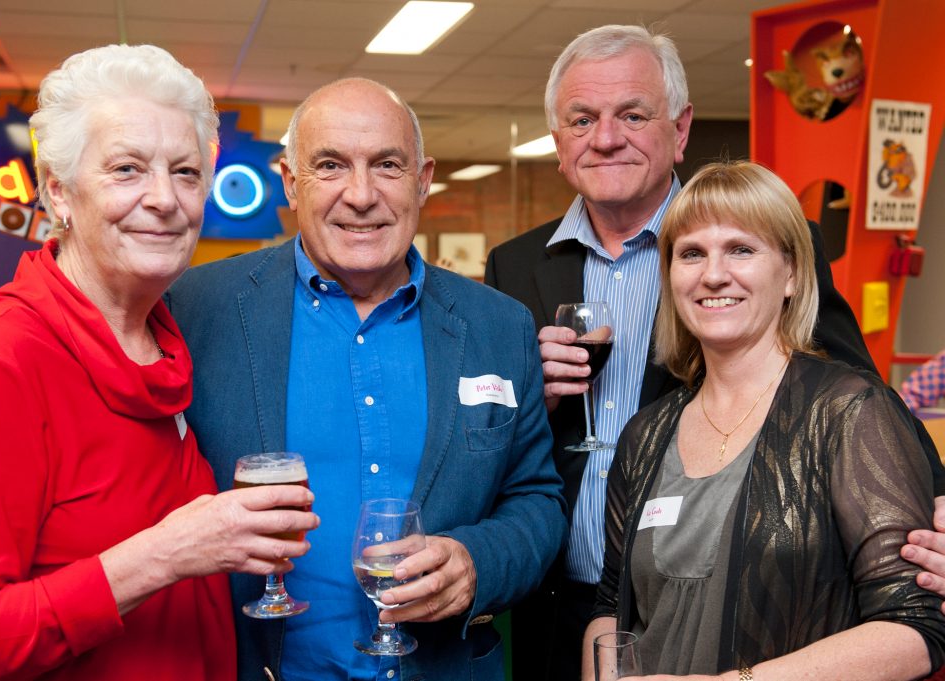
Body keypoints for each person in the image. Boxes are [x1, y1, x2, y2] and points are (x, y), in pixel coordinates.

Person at [483, 24, 945, 681]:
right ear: (558, 142)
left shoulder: (777, 245)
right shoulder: (516, 263)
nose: (605, 137)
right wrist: (533, 398)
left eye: (632, 114)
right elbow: (500, 443)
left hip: (760, 606)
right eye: (581, 119)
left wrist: (937, 504)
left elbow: (866, 407)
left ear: (680, 127)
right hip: (577, 611)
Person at [0, 44, 318, 680]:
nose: (164, 198)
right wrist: (166, 554)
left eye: (186, 172)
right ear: (59, 193)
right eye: (127, 169)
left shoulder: (169, 334)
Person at [165, 77, 566, 681]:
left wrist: (477, 563)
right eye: (330, 165)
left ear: (423, 179)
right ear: (288, 182)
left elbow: (536, 499)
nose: (361, 194)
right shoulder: (197, 309)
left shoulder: (499, 325)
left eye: (387, 165)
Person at [582, 160, 945, 680]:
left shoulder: (848, 411)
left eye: (741, 250)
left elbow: (915, 627)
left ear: (792, 273)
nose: (712, 274)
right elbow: (610, 607)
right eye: (691, 254)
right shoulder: (646, 433)